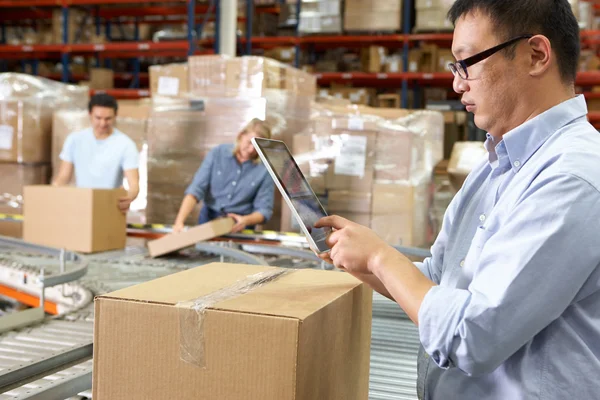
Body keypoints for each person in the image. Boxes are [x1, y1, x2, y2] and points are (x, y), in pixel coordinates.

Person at [315, 1, 600, 399]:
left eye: (468, 63)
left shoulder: (572, 178)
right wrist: (356, 256)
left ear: (536, 55)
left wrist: (382, 256)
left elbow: (473, 336)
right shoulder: (498, 164)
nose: (457, 84)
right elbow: (437, 281)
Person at [173, 118, 275, 234]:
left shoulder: (264, 170)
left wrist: (245, 220)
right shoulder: (217, 154)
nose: (252, 150)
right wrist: (179, 222)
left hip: (241, 225)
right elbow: (196, 190)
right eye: (249, 143)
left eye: (257, 147)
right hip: (209, 220)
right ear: (241, 135)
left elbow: (264, 210)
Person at [53, 93, 140, 214]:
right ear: (90, 115)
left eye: (108, 119)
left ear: (115, 116)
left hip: (109, 207)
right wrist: (53, 193)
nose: (103, 123)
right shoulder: (75, 140)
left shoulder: (126, 144)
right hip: (80, 206)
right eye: (98, 118)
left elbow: (134, 183)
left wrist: (129, 196)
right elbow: (63, 177)